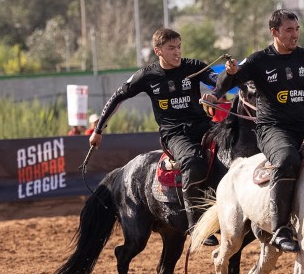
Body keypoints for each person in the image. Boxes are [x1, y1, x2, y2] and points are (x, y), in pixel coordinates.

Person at [203, 9, 304, 252]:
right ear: (274, 32)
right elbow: (230, 80)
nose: (295, 35)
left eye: (297, 29)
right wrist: (218, 90)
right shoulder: (259, 60)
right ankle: (280, 228)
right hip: (272, 130)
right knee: (287, 158)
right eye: (289, 30)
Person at [89, 28, 234, 245]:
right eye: (171, 48)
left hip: (204, 126)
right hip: (174, 134)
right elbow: (118, 97)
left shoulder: (193, 66)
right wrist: (98, 130)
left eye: (178, 47)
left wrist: (228, 75)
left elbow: (216, 79)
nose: (177, 52)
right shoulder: (147, 75)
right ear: (158, 51)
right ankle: (195, 225)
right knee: (193, 162)